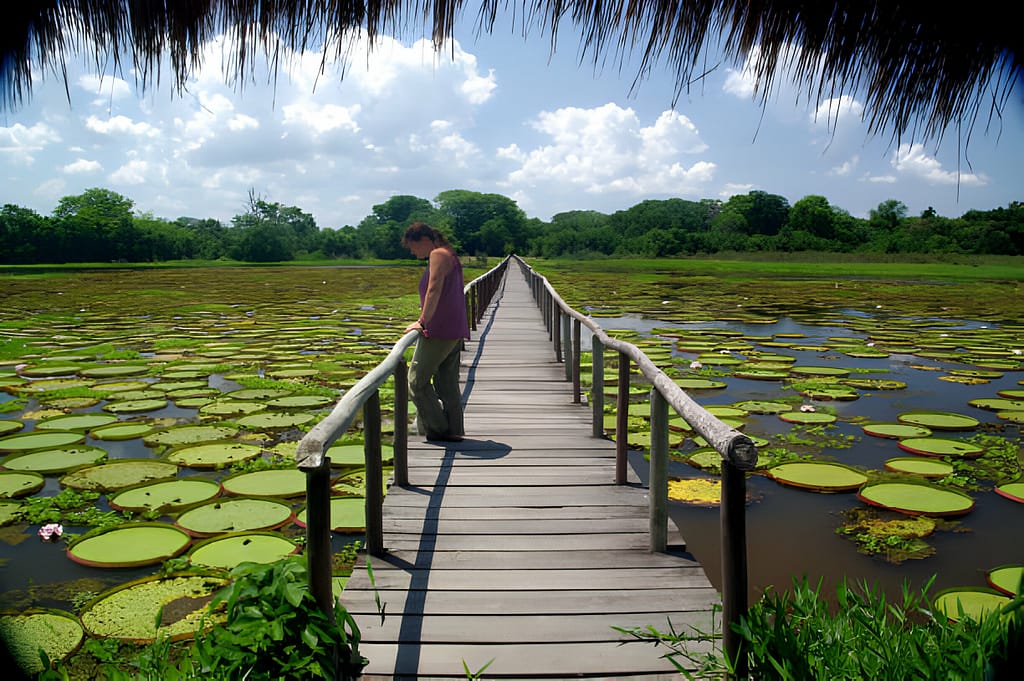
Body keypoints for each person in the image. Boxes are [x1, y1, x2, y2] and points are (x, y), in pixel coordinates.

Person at [402, 222, 470, 442]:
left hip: (439, 330)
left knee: (416, 383)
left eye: (413, 247)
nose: (413, 253)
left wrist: (422, 322)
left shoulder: (438, 254)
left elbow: (434, 289)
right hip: (454, 328)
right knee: (447, 385)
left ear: (423, 240)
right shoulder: (449, 253)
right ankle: (453, 430)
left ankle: (438, 430)